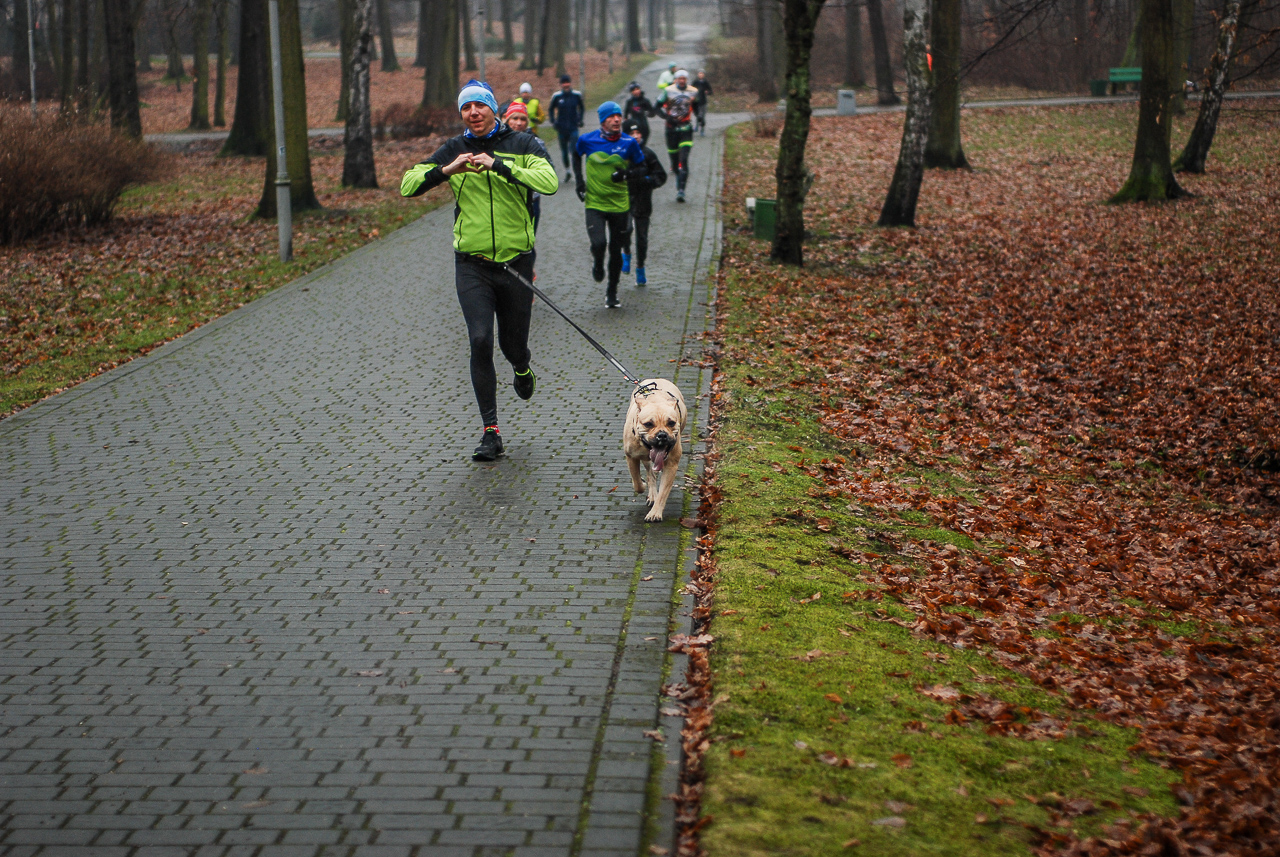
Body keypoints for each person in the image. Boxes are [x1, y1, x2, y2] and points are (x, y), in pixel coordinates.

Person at [400, 80, 559, 461]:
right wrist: (446, 169)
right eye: (466, 108)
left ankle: (521, 366)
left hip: (516, 263)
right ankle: (491, 432)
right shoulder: (455, 149)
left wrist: (499, 165)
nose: (473, 113)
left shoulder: (523, 145)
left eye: (479, 106)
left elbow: (550, 182)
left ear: (493, 110)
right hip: (472, 265)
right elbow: (408, 184)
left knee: (512, 344)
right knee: (480, 340)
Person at [573, 101, 645, 308]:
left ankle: (612, 291)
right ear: (602, 121)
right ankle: (597, 261)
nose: (616, 120)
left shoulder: (629, 143)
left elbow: (641, 169)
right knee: (598, 244)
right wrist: (579, 181)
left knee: (616, 250)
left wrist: (626, 174)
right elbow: (576, 155)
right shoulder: (587, 140)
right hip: (595, 202)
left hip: (619, 205)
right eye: (611, 117)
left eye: (618, 116)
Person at [620, 118, 666, 286]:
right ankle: (626, 253)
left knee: (642, 238)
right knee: (625, 229)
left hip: (644, 200)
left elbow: (661, 176)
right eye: (632, 133)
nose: (636, 136)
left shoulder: (648, 154)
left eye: (638, 133)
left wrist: (648, 181)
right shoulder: (621, 153)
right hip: (624, 198)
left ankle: (640, 267)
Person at [655, 68, 698, 203]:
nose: (682, 81)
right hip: (671, 130)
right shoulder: (668, 91)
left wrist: (700, 117)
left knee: (683, 159)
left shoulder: (693, 91)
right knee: (675, 162)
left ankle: (681, 190)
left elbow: (696, 105)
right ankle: (676, 171)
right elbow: (656, 107)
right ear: (676, 79)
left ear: (686, 80)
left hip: (686, 130)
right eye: (679, 78)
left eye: (684, 79)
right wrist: (666, 117)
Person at [503, 102, 542, 235]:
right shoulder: (497, 143)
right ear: (507, 120)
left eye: (523, 119)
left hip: (531, 200)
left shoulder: (537, 143)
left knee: (528, 241)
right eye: (515, 118)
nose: (519, 123)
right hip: (504, 201)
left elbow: (548, 172)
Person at [548, 75, 585, 183]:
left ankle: (577, 172)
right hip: (561, 128)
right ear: (561, 85)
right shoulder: (557, 96)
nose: (566, 85)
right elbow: (551, 109)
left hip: (573, 127)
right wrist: (553, 121)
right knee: (564, 152)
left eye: (567, 82)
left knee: (573, 150)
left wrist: (580, 119)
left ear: (570, 83)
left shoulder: (576, 95)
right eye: (563, 83)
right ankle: (568, 171)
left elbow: (581, 107)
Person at [622, 81, 655, 147]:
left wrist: (647, 113)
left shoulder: (645, 101)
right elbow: (626, 113)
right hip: (633, 123)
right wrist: (626, 121)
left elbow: (652, 112)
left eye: (637, 89)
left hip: (643, 124)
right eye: (634, 90)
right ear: (631, 92)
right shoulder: (629, 102)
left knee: (643, 140)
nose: (636, 91)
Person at [693, 69, 713, 136]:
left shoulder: (706, 82)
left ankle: (702, 129)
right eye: (699, 73)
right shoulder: (695, 82)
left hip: (703, 101)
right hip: (696, 101)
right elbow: (690, 89)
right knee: (698, 115)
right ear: (698, 74)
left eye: (702, 73)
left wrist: (707, 92)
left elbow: (711, 91)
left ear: (703, 75)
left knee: (703, 116)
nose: (700, 75)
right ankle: (696, 126)